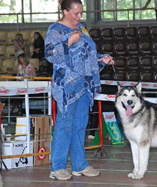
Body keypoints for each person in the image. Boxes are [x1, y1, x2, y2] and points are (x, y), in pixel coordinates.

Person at [45, 0, 114, 181]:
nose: (79, 17)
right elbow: (50, 55)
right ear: (65, 12)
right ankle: (57, 167)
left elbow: (87, 55)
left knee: (80, 126)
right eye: (75, 13)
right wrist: (68, 41)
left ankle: (79, 165)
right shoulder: (55, 30)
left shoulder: (82, 28)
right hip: (67, 87)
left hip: (84, 85)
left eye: (81, 13)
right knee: (64, 125)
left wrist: (101, 59)